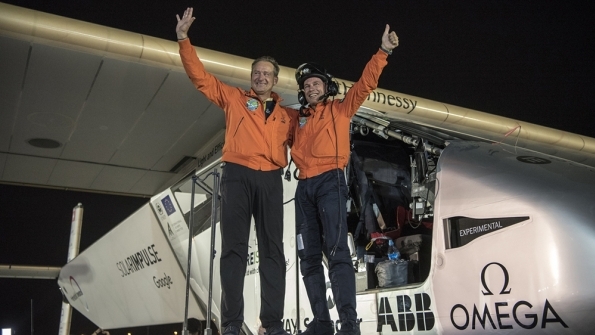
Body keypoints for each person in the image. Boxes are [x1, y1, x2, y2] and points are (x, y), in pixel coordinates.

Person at [175, 7, 295, 335]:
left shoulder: (287, 115)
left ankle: (272, 324)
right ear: (252, 77)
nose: (260, 77)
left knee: (273, 253)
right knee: (233, 252)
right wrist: (184, 40)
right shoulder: (234, 99)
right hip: (237, 177)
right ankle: (230, 324)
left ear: (275, 79)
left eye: (266, 73)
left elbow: (313, 139)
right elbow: (200, 78)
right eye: (256, 73)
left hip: (270, 179)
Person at [290, 25, 399, 335]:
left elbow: (365, 84)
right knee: (308, 258)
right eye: (306, 85)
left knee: (337, 252)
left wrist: (383, 52)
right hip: (303, 189)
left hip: (330, 183)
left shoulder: (341, 110)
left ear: (327, 87)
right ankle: (322, 323)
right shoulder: (295, 120)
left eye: (316, 83)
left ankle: (349, 325)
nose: (311, 88)